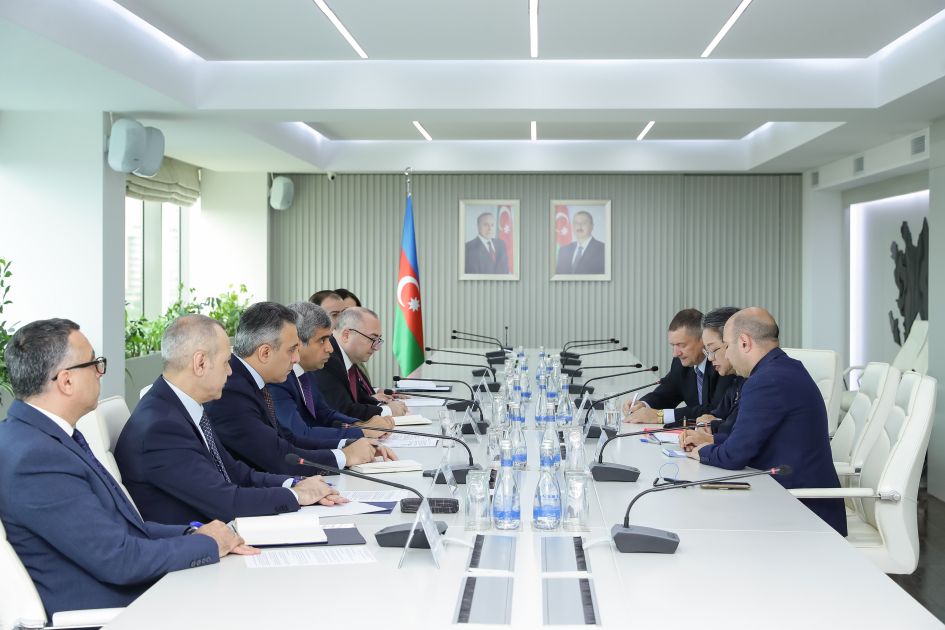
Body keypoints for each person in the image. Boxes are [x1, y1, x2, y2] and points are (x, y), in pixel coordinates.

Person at [0, 318, 251, 617]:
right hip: (116, 611)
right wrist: (209, 544)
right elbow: (119, 559)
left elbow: (124, 529)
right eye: (94, 364)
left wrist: (193, 533)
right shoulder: (36, 458)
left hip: (135, 594)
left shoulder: (40, 437)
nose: (100, 372)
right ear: (66, 381)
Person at [116, 314, 348, 525]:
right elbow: (226, 502)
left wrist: (294, 484)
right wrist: (297, 495)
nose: (230, 371)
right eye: (226, 362)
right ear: (200, 363)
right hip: (198, 543)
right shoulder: (162, 427)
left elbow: (236, 473)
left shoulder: (181, 407)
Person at [685, 308, 847, 536]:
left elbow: (734, 455)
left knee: (708, 523)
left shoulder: (766, 381)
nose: (726, 355)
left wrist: (701, 451)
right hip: (787, 498)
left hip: (802, 512)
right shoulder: (783, 368)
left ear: (744, 343)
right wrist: (712, 441)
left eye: (727, 346)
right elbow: (753, 440)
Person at [205, 302, 394, 477]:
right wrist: (345, 456)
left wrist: (350, 444)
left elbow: (288, 440)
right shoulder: (232, 390)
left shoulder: (252, 380)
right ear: (265, 353)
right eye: (292, 350)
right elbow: (277, 457)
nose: (296, 359)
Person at [270, 302, 393, 440]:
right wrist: (361, 432)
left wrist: (360, 425)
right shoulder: (278, 379)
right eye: (322, 340)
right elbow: (299, 433)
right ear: (297, 342)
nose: (330, 348)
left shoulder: (306, 372)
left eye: (329, 339)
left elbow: (325, 414)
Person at [625, 308, 734, 426]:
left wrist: (659, 416)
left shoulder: (722, 363)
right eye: (673, 345)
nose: (675, 353)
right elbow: (666, 394)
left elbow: (715, 410)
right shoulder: (680, 364)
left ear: (703, 340)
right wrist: (643, 405)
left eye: (681, 345)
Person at [313, 307, 408, 421]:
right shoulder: (328, 360)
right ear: (346, 335)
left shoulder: (347, 359)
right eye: (372, 339)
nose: (376, 347)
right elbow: (343, 410)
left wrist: (384, 404)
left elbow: (359, 398)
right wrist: (388, 410)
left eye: (378, 340)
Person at [677, 307, 743, 448]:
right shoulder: (738, 380)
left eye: (713, 350)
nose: (710, 358)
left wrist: (707, 441)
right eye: (707, 352)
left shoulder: (760, 382)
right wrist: (706, 424)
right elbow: (716, 417)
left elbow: (741, 440)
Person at [555, 211, 605, 275]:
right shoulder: (563, 250)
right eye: (576, 223)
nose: (579, 226)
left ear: (592, 226)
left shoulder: (603, 250)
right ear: (572, 226)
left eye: (584, 223)